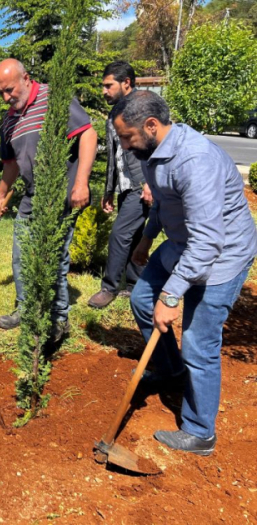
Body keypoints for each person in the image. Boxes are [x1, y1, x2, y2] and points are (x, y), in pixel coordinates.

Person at [112, 90, 257, 456]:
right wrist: (146, 240)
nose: (126, 147)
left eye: (127, 137)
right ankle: (170, 370)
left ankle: (200, 431)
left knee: (199, 342)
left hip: (222, 255)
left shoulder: (195, 160)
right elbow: (163, 200)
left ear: (151, 125)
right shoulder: (151, 152)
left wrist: (172, 295)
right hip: (181, 243)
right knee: (143, 299)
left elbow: (208, 241)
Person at [0, 58, 97, 340]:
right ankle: (25, 309)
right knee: (21, 255)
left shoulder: (54, 98)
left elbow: (88, 134)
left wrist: (81, 183)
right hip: (32, 196)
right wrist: (1, 193)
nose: (6, 97)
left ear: (26, 78)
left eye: (10, 89)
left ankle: (59, 318)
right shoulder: (9, 118)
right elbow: (11, 163)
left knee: (56, 259)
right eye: (0, 92)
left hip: (61, 195)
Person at [88, 61, 152, 309]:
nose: (103, 91)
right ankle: (133, 285)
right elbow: (114, 156)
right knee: (134, 234)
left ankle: (109, 287)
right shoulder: (115, 112)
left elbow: (154, 146)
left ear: (126, 83)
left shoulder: (143, 107)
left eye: (108, 85)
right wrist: (109, 191)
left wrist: (150, 182)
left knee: (120, 234)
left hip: (141, 183)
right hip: (126, 185)